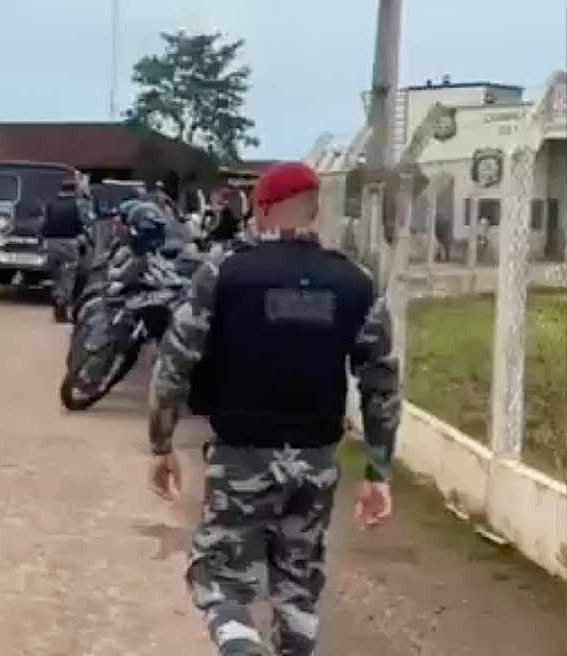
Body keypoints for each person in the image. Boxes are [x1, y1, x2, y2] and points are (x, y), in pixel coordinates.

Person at [146, 161, 401, 656]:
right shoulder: (356, 282)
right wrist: (378, 470)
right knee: (297, 586)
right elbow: (381, 381)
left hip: (241, 456)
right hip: (317, 462)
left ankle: (241, 648)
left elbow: (175, 360)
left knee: (219, 577)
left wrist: (161, 443)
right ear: (314, 209)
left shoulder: (225, 271)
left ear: (261, 210)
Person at [42, 179, 90, 323]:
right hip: (69, 243)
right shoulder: (77, 204)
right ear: (74, 190)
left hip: (51, 244)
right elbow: (83, 224)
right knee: (67, 277)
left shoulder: (50, 203)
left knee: (56, 276)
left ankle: (57, 307)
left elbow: (44, 223)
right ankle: (61, 311)